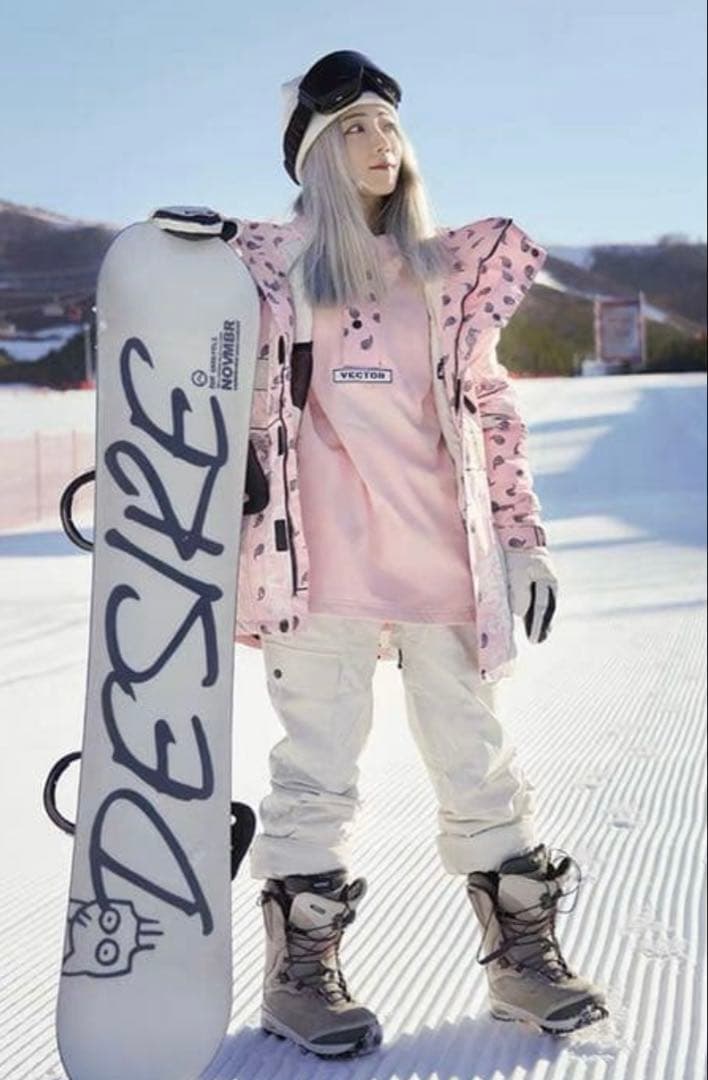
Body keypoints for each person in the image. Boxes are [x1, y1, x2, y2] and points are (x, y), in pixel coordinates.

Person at [227, 50, 609, 1058]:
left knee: (478, 766)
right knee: (316, 773)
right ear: (314, 155)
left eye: (389, 126)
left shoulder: (445, 276)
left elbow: (491, 412)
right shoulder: (268, 272)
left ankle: (524, 965)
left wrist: (522, 541)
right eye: (352, 129)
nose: (379, 143)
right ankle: (299, 977)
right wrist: (178, 263)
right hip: (319, 566)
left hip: (443, 557)